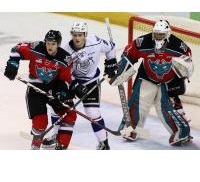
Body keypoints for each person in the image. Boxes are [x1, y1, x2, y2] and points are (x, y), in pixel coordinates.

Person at [111, 20, 194, 146]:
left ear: (168, 34)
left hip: (168, 81)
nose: (158, 37)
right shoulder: (143, 41)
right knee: (138, 103)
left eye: (161, 35)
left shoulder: (178, 45)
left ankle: (181, 132)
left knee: (166, 108)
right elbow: (130, 52)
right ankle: (132, 129)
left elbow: (187, 59)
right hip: (147, 77)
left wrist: (185, 67)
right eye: (156, 34)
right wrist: (120, 68)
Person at [4, 30, 86, 150]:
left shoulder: (65, 59)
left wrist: (63, 92)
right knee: (40, 122)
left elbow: (65, 79)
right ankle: (35, 147)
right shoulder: (36, 47)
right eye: (48, 43)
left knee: (70, 114)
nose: (49, 46)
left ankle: (61, 146)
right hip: (35, 87)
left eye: (53, 44)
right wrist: (13, 64)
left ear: (58, 44)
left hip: (53, 87)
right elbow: (17, 49)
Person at [42, 22, 117, 150]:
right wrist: (73, 84)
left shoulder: (96, 41)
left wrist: (111, 62)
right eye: (75, 35)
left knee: (92, 113)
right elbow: (62, 72)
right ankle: (56, 135)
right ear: (72, 35)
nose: (77, 38)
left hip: (90, 82)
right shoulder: (66, 51)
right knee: (57, 107)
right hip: (72, 82)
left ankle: (103, 143)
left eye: (80, 35)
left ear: (85, 35)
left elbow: (111, 47)